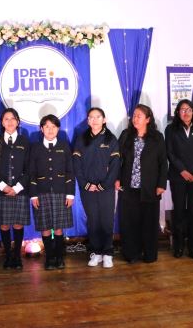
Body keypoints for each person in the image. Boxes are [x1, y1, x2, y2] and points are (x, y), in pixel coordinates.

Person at [116, 104, 167, 264]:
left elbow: (162, 163)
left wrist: (161, 184)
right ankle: (132, 253)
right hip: (128, 187)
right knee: (129, 222)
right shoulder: (125, 135)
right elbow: (117, 159)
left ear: (148, 119)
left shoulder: (157, 137)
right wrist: (117, 178)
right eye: (134, 115)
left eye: (139, 115)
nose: (135, 118)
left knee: (149, 223)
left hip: (150, 188)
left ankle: (150, 254)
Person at [73, 107, 120, 268]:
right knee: (93, 221)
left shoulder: (110, 139)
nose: (94, 120)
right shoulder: (81, 139)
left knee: (106, 220)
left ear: (104, 119)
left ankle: (107, 252)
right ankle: (96, 252)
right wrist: (86, 184)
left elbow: (115, 166)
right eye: (91, 117)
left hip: (105, 188)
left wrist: (102, 185)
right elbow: (76, 165)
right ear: (88, 121)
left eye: (98, 117)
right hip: (87, 189)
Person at [0, 108, 30, 270]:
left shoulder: (25, 141)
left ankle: (17, 255)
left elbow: (29, 168)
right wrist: (3, 186)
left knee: (18, 224)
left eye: (13, 119)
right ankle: (8, 256)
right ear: (2, 122)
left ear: (18, 122)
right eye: (6, 119)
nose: (10, 122)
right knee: (4, 224)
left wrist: (16, 188)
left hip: (19, 190)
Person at [29, 115, 74, 270]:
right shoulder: (35, 147)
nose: (50, 129)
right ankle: (49, 258)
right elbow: (31, 172)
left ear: (58, 129)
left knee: (60, 226)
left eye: (53, 126)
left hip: (61, 192)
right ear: (41, 129)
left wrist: (70, 194)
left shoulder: (64, 145)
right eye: (47, 126)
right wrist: (33, 195)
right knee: (45, 226)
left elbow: (70, 171)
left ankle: (60, 257)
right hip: (41, 192)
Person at [165, 100, 193, 260]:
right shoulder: (171, 129)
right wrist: (182, 170)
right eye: (182, 110)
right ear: (177, 112)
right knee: (179, 212)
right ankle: (179, 246)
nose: (186, 112)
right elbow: (170, 152)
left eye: (189, 109)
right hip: (178, 176)